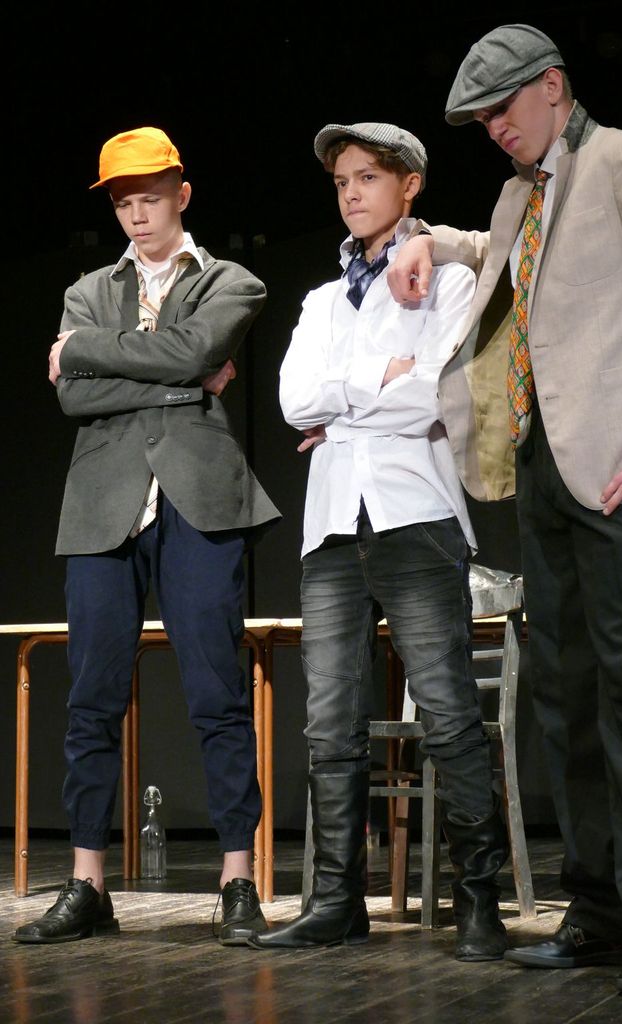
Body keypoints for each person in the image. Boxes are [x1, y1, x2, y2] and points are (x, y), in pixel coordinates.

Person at [388, 24, 622, 997]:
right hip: (545, 469)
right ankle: (598, 910)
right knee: (566, 697)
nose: (495, 129)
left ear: (552, 85)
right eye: (482, 120)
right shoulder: (523, 192)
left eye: (503, 108)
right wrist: (429, 238)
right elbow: (505, 257)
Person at [13, 127, 279, 947]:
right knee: (91, 698)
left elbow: (196, 346)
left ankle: (237, 880)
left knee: (216, 693)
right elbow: (74, 399)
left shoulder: (229, 280)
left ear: (181, 195)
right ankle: (88, 883)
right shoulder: (88, 290)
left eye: (149, 198)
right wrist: (183, 384)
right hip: (104, 504)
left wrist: (87, 354)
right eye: (123, 201)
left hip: (199, 502)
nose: (136, 214)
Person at [249, 122, 509, 959]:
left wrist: (346, 404)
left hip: (416, 515)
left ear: (410, 185)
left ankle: (478, 902)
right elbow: (293, 402)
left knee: (448, 715)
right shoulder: (321, 303)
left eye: (368, 177)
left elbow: (435, 394)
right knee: (329, 724)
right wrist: (376, 381)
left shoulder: (449, 282)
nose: (352, 193)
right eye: (341, 182)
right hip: (332, 526)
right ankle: (336, 900)